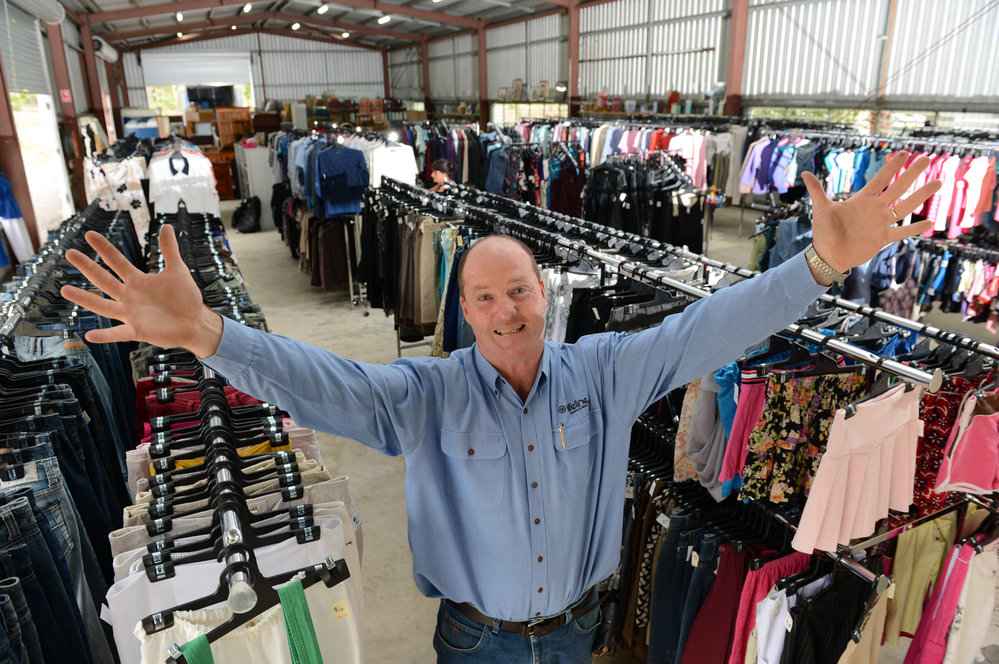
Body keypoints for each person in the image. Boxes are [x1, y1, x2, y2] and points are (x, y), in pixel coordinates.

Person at [62, 153, 940, 663]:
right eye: (483, 298)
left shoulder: (606, 370)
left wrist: (814, 270)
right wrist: (213, 336)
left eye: (517, 291)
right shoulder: (428, 395)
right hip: (474, 642)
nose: (505, 311)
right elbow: (326, 384)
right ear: (464, 310)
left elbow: (708, 329)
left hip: (576, 631)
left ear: (541, 296)